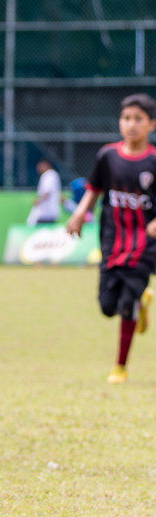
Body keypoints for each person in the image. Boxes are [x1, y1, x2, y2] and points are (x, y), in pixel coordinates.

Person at [65, 93, 156, 384]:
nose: (131, 124)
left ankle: (120, 367)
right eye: (126, 118)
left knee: (126, 305)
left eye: (138, 119)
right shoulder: (108, 156)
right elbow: (94, 188)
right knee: (107, 307)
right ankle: (142, 303)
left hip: (144, 246)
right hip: (112, 242)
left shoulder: (154, 161)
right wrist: (81, 213)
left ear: (151, 124)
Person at [29, 158, 63, 226]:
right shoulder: (53, 175)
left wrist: (39, 201)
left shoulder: (49, 175)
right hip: (51, 212)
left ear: (46, 164)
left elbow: (47, 192)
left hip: (45, 213)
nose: (38, 167)